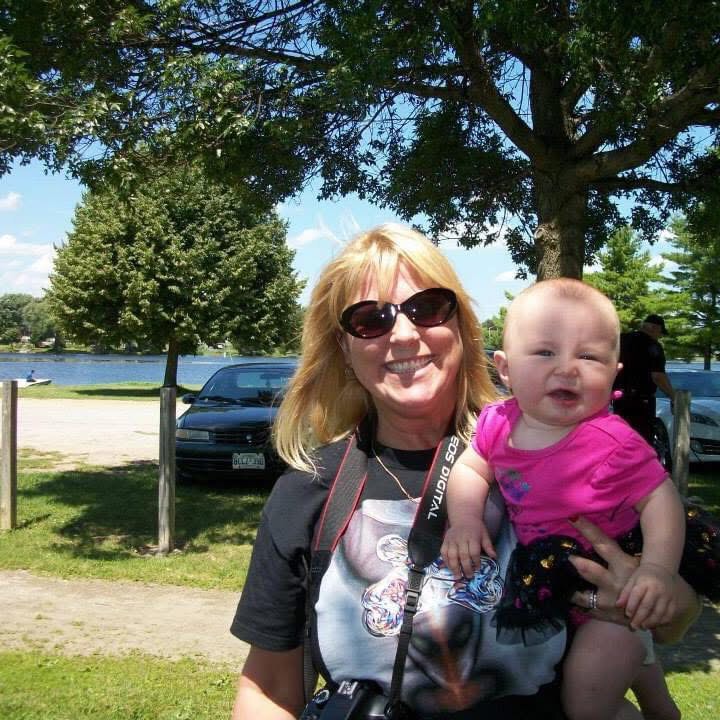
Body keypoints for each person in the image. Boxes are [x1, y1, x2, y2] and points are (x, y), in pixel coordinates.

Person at [230, 226, 700, 720]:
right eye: (370, 320)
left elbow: (675, 617)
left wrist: (662, 596)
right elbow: (269, 690)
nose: (404, 334)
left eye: (427, 308)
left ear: (460, 327)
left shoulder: (551, 447)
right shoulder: (308, 492)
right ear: (344, 348)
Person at [441, 279, 686, 720]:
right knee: (606, 679)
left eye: (589, 357)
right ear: (505, 368)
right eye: (545, 352)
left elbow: (661, 500)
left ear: (613, 372)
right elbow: (471, 468)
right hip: (551, 587)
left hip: (609, 600)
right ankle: (656, 699)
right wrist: (464, 520)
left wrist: (656, 569)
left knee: (587, 706)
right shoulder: (498, 423)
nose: (568, 368)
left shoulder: (613, 442)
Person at [612, 314, 676, 445]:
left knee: (622, 439)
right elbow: (657, 376)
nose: (659, 336)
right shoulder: (652, 346)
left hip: (619, 399)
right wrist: (673, 396)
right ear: (654, 328)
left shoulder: (620, 340)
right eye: (660, 332)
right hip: (641, 401)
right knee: (641, 441)